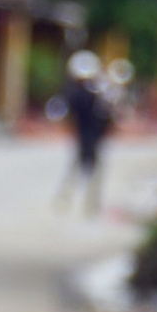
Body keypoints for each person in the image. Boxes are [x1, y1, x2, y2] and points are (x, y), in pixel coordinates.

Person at [53, 47, 111, 214]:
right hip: (90, 138)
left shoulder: (74, 93)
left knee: (77, 170)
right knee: (91, 171)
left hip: (83, 137)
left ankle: (68, 200)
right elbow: (104, 118)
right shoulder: (92, 95)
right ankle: (91, 204)